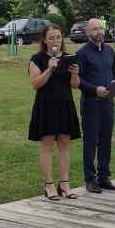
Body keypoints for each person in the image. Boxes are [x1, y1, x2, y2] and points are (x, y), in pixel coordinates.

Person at [28, 24, 81, 201]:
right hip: (46, 106)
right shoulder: (37, 59)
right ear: (45, 40)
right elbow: (35, 84)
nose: (55, 41)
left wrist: (75, 73)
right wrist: (49, 69)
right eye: (51, 38)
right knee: (47, 144)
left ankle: (64, 183)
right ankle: (49, 185)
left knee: (65, 143)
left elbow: (75, 85)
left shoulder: (68, 58)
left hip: (65, 104)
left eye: (58, 37)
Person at [77, 18, 115, 193]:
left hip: (108, 103)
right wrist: (95, 90)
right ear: (87, 32)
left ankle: (104, 176)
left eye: (101, 28)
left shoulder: (110, 50)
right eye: (95, 29)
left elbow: (114, 74)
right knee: (90, 142)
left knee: (106, 140)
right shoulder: (82, 53)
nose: (99, 32)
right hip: (91, 104)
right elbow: (77, 81)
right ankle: (90, 179)